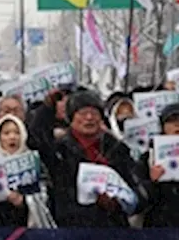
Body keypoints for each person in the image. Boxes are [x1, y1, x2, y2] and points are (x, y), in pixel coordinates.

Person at [47, 91, 147, 228]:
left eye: (94, 113)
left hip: (115, 232)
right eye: (82, 113)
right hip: (74, 233)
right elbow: (60, 200)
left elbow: (137, 191)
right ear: (71, 117)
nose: (89, 118)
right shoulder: (60, 151)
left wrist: (117, 203)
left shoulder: (116, 148)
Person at [0, 114, 54, 228]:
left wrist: (25, 201)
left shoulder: (34, 162)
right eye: (6, 133)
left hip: (30, 229)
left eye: (17, 132)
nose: (12, 137)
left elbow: (46, 195)